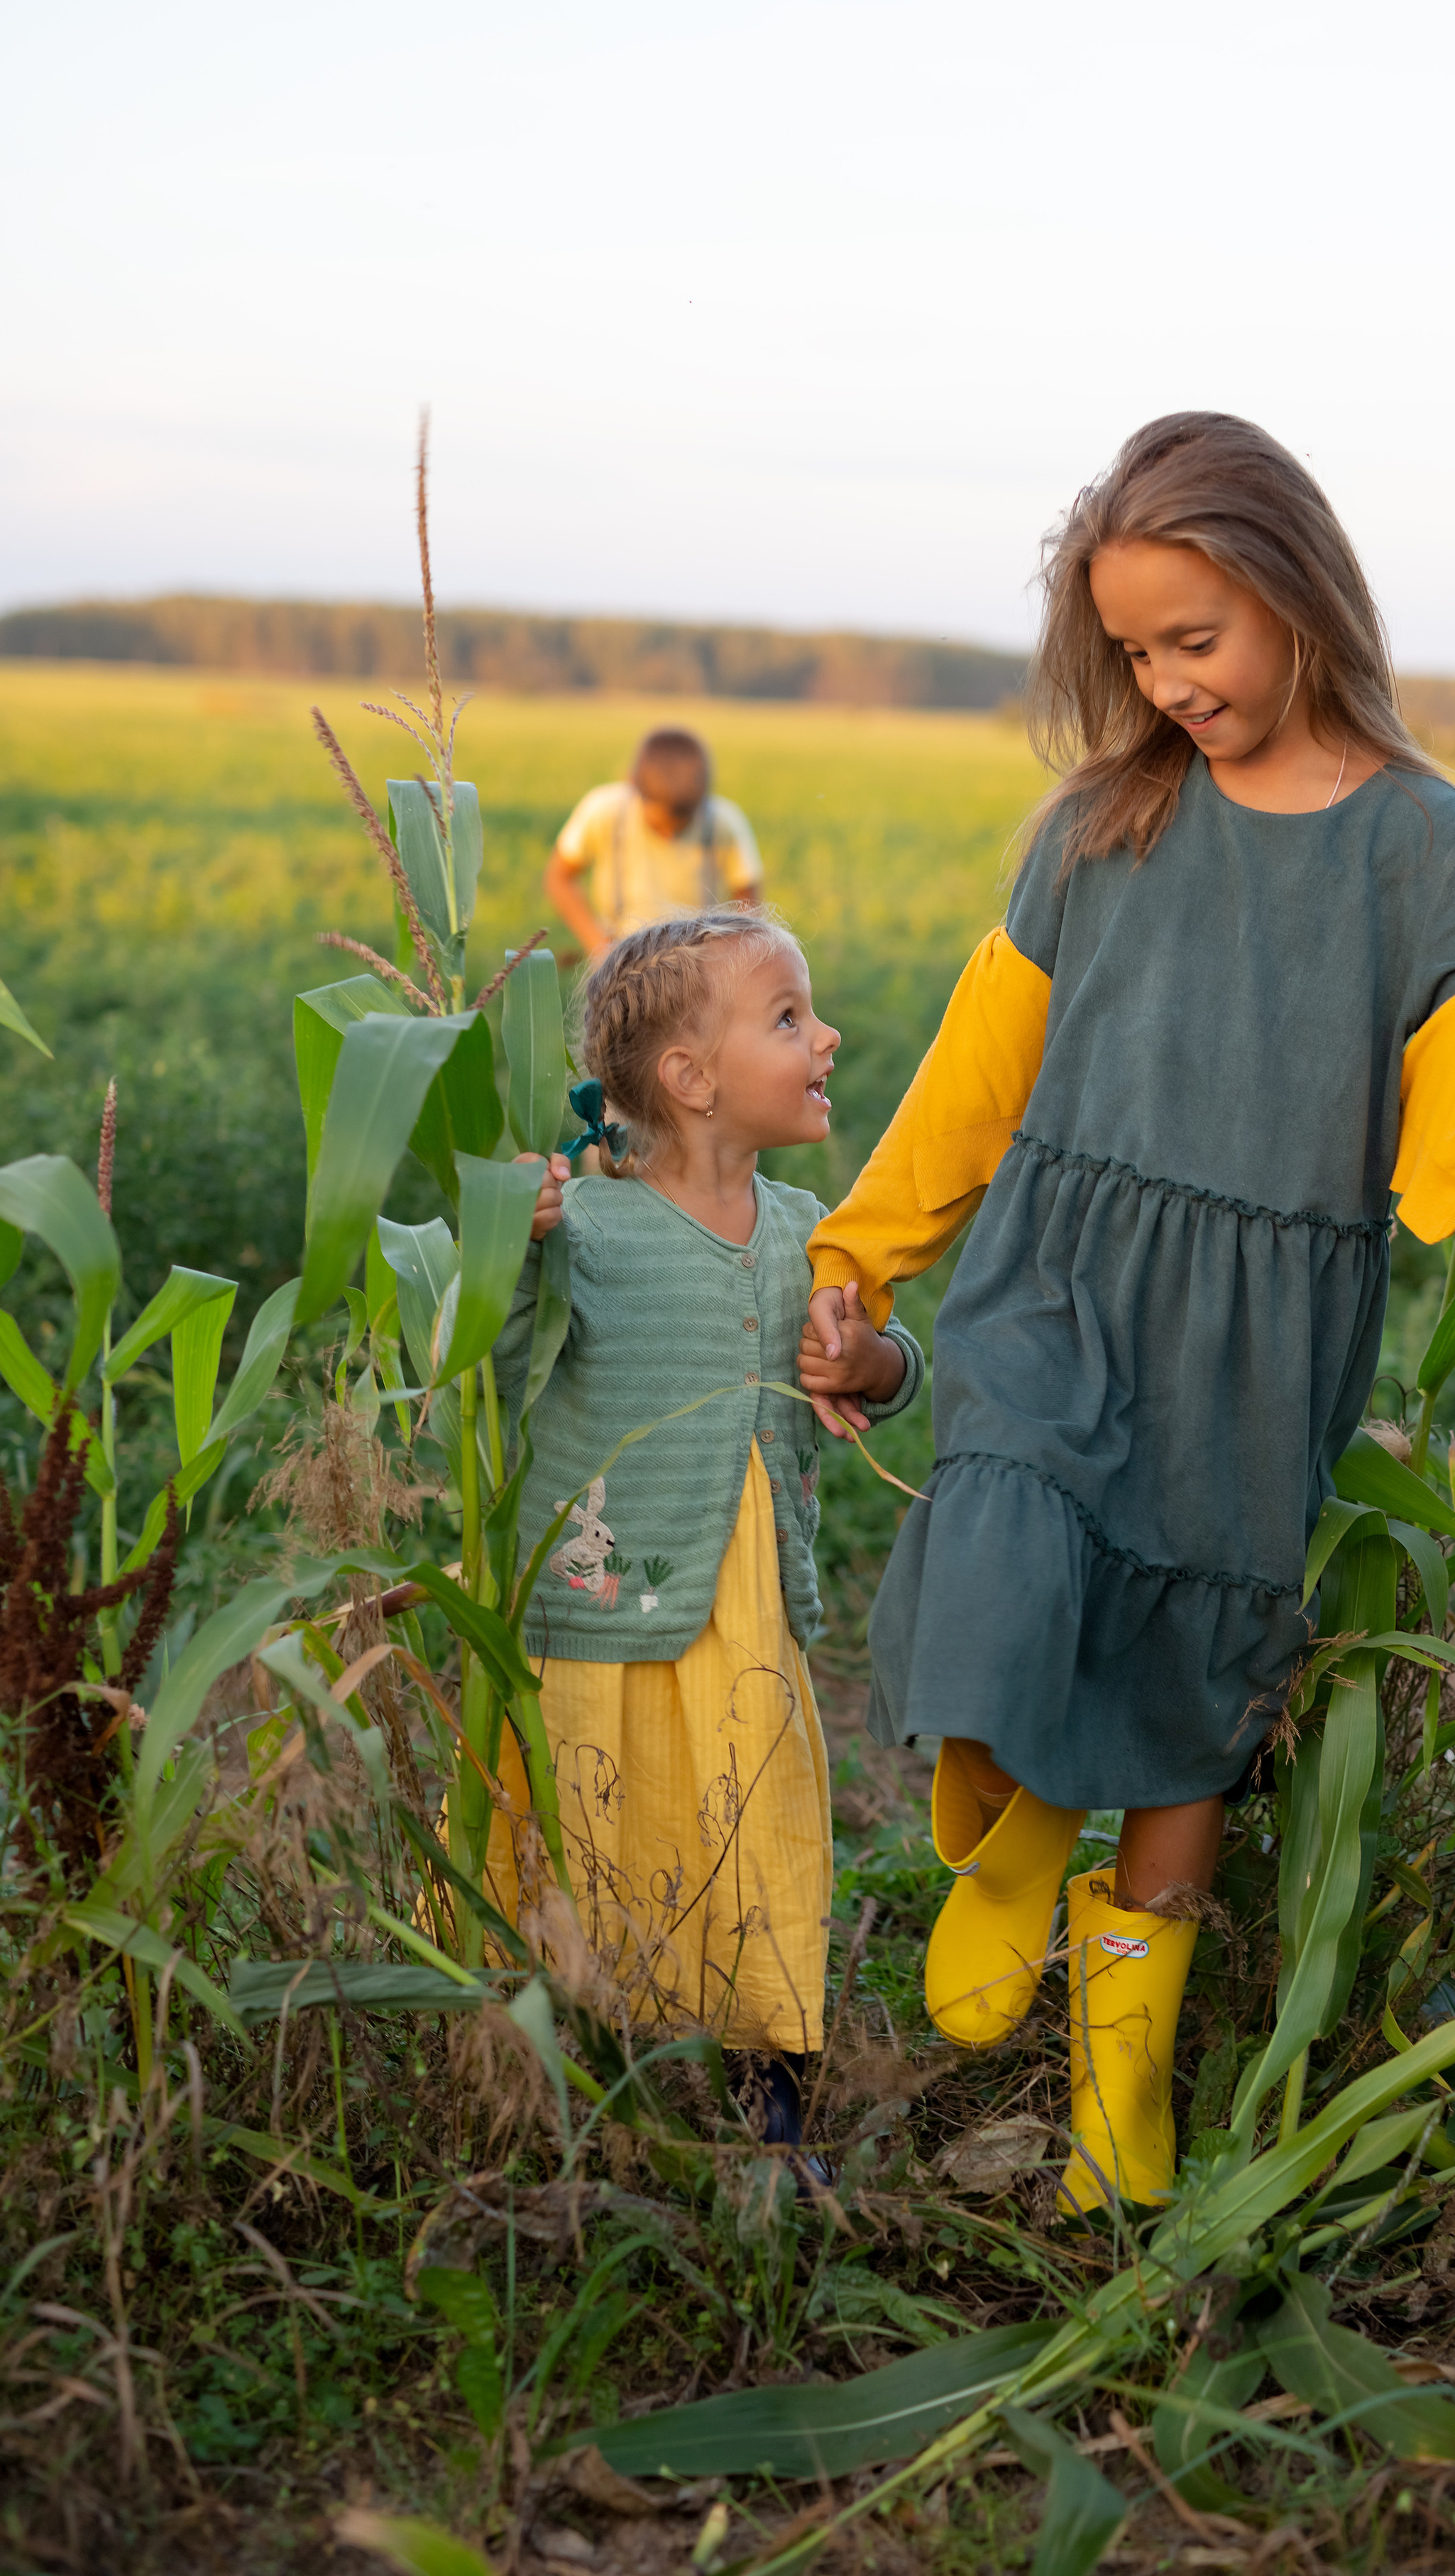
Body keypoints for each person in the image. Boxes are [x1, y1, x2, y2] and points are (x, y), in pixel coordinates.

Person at [799, 412, 1455, 2219]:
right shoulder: (1101, 821)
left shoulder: (1426, 852)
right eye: (1129, 650)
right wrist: (866, 1249)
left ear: (1292, 589)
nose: (1164, 680)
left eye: (1191, 637)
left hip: (1256, 1331)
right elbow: (980, 1064)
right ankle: (1024, 1826)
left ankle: (1123, 2115)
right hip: (1056, 1268)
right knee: (1008, 1530)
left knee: (1190, 1688)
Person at [493, 904, 921, 2164]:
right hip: (604, 1603)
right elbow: (495, 1360)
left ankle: (766, 2077)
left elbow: (895, 1375)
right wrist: (502, 1249)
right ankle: (590, 2060)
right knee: (605, 1817)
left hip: (749, 1609)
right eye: (790, 1018)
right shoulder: (585, 1229)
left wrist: (870, 1356)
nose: (826, 1034)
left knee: (759, 1819)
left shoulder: (807, 1231)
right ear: (688, 1078)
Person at [545, 726, 762, 960]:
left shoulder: (724, 823)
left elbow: (749, 905)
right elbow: (560, 877)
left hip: (695, 961)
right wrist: (599, 945)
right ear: (632, 785)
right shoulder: (604, 812)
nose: (670, 836)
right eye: (660, 825)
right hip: (621, 956)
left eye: (682, 825)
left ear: (705, 799)